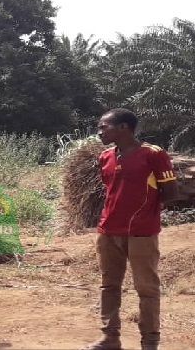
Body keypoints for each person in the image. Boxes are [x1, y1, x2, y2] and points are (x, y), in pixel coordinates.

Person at [82, 108, 179, 350]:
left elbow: (171, 193)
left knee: (146, 289)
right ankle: (110, 338)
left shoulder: (153, 154)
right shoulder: (105, 157)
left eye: (104, 126)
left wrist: (146, 214)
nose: (99, 131)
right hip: (108, 230)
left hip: (142, 233)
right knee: (109, 285)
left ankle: (149, 342)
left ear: (123, 127)